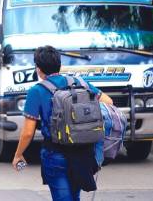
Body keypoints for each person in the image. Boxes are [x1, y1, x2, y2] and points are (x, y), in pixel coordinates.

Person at [12, 46, 113, 201]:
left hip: (55, 154)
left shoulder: (36, 91)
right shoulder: (79, 82)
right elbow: (108, 102)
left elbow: (27, 132)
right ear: (59, 64)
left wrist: (18, 155)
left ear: (38, 69)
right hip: (82, 152)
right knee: (74, 197)